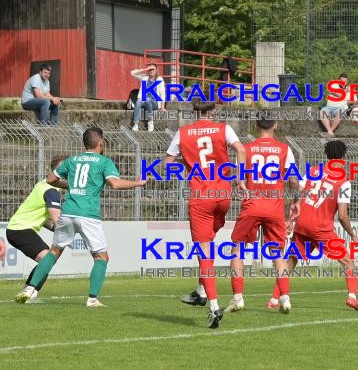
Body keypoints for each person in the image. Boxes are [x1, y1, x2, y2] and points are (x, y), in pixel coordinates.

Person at [15, 127, 147, 307]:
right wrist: (138, 183)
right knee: (102, 257)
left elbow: (50, 180)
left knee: (54, 252)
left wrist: (69, 185)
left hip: (68, 211)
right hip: (88, 215)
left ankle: (30, 289)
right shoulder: (104, 162)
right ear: (101, 142)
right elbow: (115, 184)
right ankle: (92, 298)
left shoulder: (72, 160)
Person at [164, 94, 247, 329]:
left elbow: (167, 164)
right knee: (209, 241)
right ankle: (200, 289)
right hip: (222, 197)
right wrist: (240, 181)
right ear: (213, 110)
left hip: (201, 198)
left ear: (193, 110)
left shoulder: (183, 133)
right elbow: (241, 151)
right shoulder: (224, 129)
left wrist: (188, 166)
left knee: (205, 254)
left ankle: (212, 306)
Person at [268, 140, 358, 311]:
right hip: (321, 228)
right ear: (344, 158)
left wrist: (291, 218)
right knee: (347, 262)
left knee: (290, 261)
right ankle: (352, 297)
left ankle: (273, 299)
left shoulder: (314, 171)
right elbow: (343, 215)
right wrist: (352, 234)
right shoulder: (343, 182)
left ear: (327, 155)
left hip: (302, 224)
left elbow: (298, 191)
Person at [225, 116, 300, 314]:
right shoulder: (285, 149)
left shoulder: (245, 149)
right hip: (274, 207)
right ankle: (284, 297)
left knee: (238, 249)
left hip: (252, 204)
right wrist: (295, 200)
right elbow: (293, 179)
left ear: (256, 126)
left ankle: (238, 297)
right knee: (277, 254)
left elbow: (238, 178)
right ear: (275, 125)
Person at [7, 155, 68, 302]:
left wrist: (53, 227)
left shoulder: (43, 184)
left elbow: (41, 215)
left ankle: (29, 291)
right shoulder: (52, 191)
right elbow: (58, 221)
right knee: (48, 258)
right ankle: (29, 291)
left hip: (17, 228)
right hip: (20, 229)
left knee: (48, 258)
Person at [130, 64, 166, 132]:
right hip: (144, 101)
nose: (151, 71)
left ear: (156, 70)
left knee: (148, 100)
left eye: (153, 69)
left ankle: (150, 121)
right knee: (137, 102)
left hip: (154, 103)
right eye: (150, 69)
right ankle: (136, 124)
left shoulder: (160, 79)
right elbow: (132, 73)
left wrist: (162, 107)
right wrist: (145, 69)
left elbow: (162, 93)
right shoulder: (144, 77)